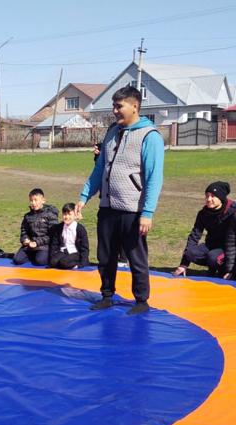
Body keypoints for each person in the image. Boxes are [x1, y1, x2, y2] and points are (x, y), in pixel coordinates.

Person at [76, 85, 164, 315]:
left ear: (134, 106)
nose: (114, 111)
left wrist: (147, 213)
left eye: (119, 106)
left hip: (133, 210)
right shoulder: (112, 132)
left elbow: (154, 177)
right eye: (114, 106)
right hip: (108, 207)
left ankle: (141, 300)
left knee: (136, 257)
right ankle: (107, 294)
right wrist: (85, 196)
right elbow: (99, 169)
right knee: (105, 255)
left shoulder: (150, 136)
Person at [173, 181, 234, 277]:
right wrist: (183, 264)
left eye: (213, 196)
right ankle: (213, 266)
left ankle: (223, 269)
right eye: (207, 196)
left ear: (221, 198)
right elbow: (194, 235)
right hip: (210, 245)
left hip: (228, 248)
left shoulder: (233, 212)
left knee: (213, 257)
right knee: (190, 252)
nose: (209, 199)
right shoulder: (203, 213)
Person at [13, 188, 58, 267]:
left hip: (44, 245)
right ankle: (34, 255)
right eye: (31, 200)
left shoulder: (50, 215)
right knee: (17, 260)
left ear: (43, 200)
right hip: (30, 245)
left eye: (35, 200)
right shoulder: (27, 216)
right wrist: (24, 239)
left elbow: (53, 235)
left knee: (40, 261)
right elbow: (24, 231)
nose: (33, 203)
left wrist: (37, 243)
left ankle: (42, 255)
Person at [49, 203, 90, 269]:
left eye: (69, 214)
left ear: (75, 215)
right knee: (53, 262)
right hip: (64, 251)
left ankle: (75, 264)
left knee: (64, 262)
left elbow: (84, 247)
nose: (67, 217)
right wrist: (53, 256)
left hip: (75, 252)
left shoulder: (80, 229)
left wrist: (82, 263)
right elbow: (54, 244)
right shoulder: (59, 227)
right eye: (65, 214)